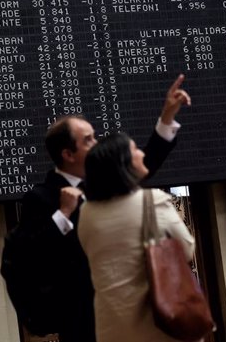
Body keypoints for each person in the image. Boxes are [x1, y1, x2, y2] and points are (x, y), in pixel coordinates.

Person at [17, 74, 191, 342]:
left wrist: (166, 117)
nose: (97, 143)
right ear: (68, 154)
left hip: (134, 311)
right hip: (82, 319)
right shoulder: (39, 198)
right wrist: (62, 214)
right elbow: (32, 255)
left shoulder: (105, 184)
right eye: (88, 139)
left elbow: (144, 163)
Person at [78, 132, 196, 342]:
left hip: (110, 328)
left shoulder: (86, 213)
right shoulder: (152, 200)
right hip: (157, 324)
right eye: (134, 150)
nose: (141, 154)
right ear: (123, 164)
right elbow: (187, 249)